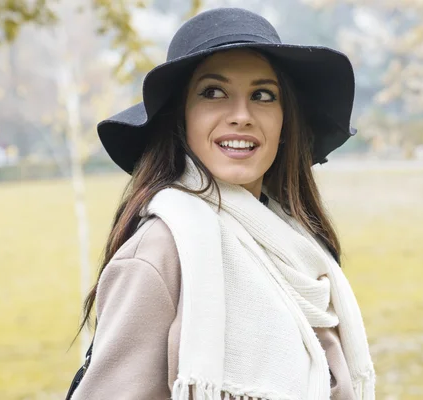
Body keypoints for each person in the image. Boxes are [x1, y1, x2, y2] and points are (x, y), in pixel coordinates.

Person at [70, 7, 375, 400]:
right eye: (213, 92)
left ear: (285, 123)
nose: (241, 116)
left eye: (263, 95)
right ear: (181, 118)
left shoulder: (302, 252)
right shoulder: (160, 255)